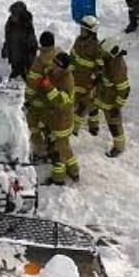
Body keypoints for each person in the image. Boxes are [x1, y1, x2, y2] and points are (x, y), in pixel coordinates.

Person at [40, 52, 79, 185]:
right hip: (54, 119)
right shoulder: (54, 73)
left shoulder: (67, 81)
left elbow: (60, 101)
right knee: (64, 147)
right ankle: (74, 170)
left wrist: (48, 86)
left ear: (63, 68)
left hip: (62, 121)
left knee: (58, 151)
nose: (53, 67)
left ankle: (58, 178)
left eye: (56, 66)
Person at [24, 31, 60, 157]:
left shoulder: (39, 62)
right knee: (52, 125)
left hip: (41, 100)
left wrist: (27, 100)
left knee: (33, 124)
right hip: (56, 99)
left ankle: (39, 150)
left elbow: (32, 86)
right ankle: (53, 146)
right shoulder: (60, 55)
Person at [94, 40, 131, 157]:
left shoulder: (118, 68)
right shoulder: (108, 59)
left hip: (111, 101)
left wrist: (116, 106)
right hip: (102, 93)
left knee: (114, 125)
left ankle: (119, 147)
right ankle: (92, 126)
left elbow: (124, 90)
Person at [70, 15, 105, 135]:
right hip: (76, 78)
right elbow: (73, 56)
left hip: (89, 81)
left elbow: (100, 65)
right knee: (78, 100)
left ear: (91, 32)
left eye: (84, 30)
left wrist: (96, 78)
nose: (81, 31)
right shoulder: (78, 40)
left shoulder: (96, 47)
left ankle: (90, 126)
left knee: (88, 105)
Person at [1, 1, 37, 80]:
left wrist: (29, 62)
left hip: (24, 62)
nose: (13, 16)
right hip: (14, 59)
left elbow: (32, 45)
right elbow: (8, 39)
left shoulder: (27, 26)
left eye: (15, 14)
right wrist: (5, 49)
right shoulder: (10, 23)